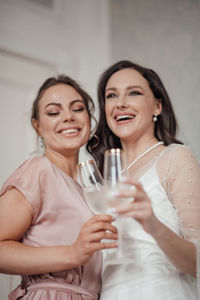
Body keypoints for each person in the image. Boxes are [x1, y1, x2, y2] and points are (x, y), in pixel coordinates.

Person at [87, 60, 200, 299]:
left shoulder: (175, 158)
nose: (120, 104)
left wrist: (153, 225)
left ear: (157, 106)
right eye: (111, 96)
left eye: (134, 93)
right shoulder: (101, 179)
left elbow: (197, 264)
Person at [0, 75, 118, 300]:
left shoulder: (92, 185)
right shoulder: (38, 170)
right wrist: (72, 254)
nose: (68, 117)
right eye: (54, 112)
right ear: (37, 126)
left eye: (78, 109)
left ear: (89, 118)